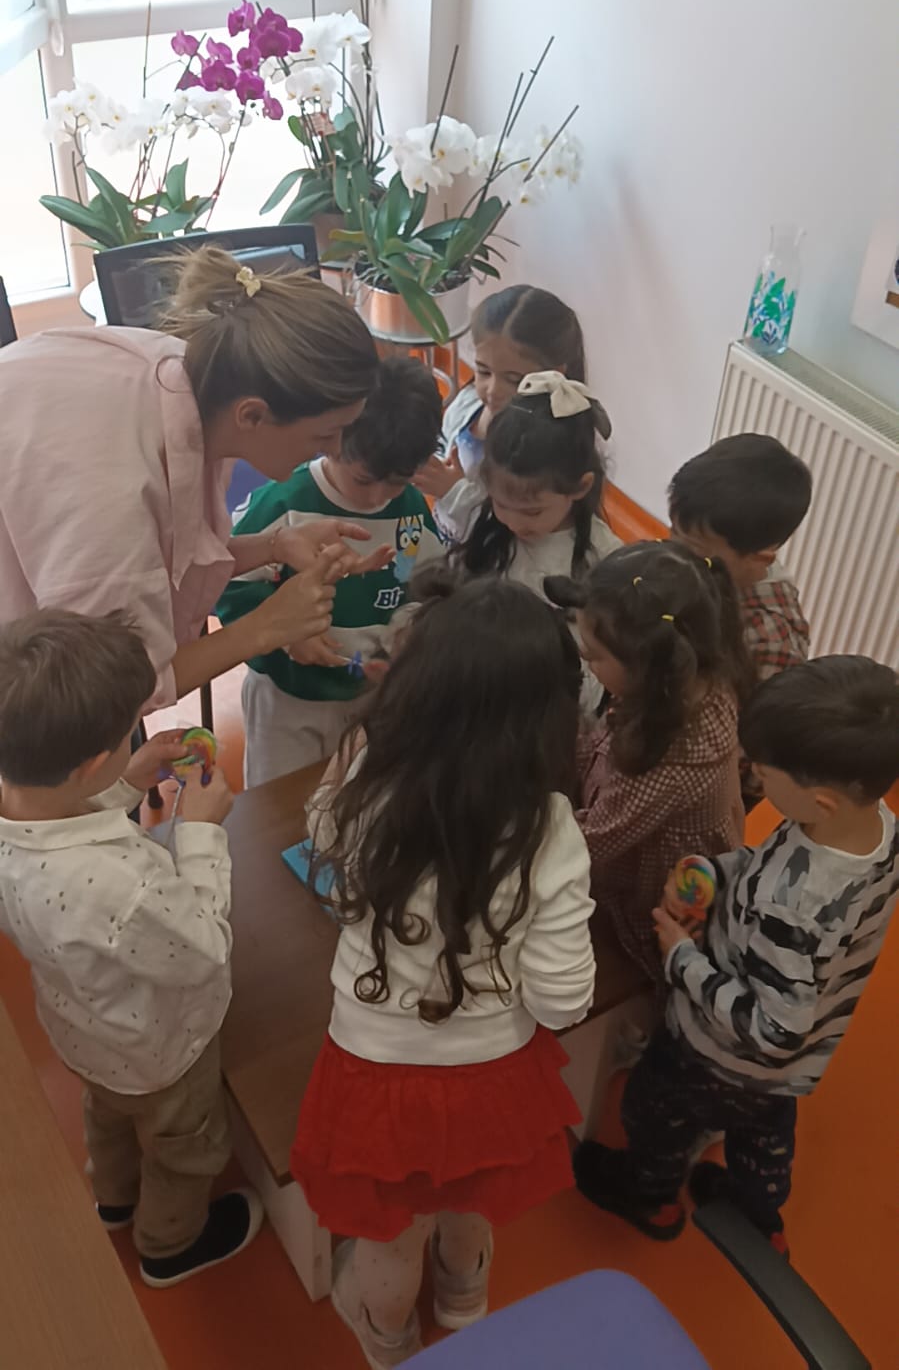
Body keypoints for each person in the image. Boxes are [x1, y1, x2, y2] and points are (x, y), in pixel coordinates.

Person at [290, 581, 596, 1367]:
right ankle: (464, 1297)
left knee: (392, 1237)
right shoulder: (550, 826)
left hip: (375, 1070)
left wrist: (350, 759)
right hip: (492, 1073)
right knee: (469, 1201)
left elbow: (322, 841)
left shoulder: (367, 781)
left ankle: (388, 1339)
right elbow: (563, 1000)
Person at [572, 656, 899, 1252]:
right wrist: (718, 871)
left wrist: (682, 959)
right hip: (782, 1075)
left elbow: (775, 1030)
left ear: (821, 799)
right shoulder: (873, 828)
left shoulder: (792, 908)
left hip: (719, 1050)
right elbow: (772, 865)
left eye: (764, 774)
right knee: (764, 1130)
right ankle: (758, 1216)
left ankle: (651, 1195)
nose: (752, 775)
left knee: (654, 1107)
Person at [0, 246, 388, 707]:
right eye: (326, 433)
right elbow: (109, 693)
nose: (336, 450)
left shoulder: (195, 377)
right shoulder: (112, 496)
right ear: (252, 415)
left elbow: (166, 559)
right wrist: (266, 626)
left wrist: (274, 545)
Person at [0, 608, 260, 1287]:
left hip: (83, 1032)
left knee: (108, 1116)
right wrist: (200, 830)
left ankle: (114, 1199)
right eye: (127, 735)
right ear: (90, 762)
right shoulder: (122, 886)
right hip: (162, 1052)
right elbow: (203, 946)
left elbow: (59, 811)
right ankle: (170, 1245)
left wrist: (126, 780)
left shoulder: (18, 810)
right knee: (183, 1146)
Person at [216, 357, 445, 785]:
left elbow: (425, 587)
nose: (377, 497)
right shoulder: (284, 501)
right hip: (287, 699)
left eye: (397, 482)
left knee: (354, 795)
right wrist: (286, 636)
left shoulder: (412, 511)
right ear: (332, 440)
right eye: (363, 480)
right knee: (278, 803)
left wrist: (409, 637)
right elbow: (226, 587)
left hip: (369, 698)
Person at [547, 540, 750, 988]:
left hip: (657, 892)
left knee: (646, 975)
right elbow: (602, 745)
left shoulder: (670, 758)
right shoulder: (695, 681)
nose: (586, 660)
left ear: (648, 666)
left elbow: (591, 842)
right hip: (648, 837)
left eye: (595, 655)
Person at [458, 370, 618, 709]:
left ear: (581, 487)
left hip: (554, 702)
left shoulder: (604, 558)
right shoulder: (485, 526)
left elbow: (601, 661)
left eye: (532, 512)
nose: (514, 522)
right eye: (501, 504)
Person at [668, 435, 813, 802]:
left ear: (760, 558)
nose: (674, 555)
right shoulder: (706, 574)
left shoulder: (770, 639)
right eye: (672, 533)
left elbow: (753, 764)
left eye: (692, 549)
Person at [418, 285, 609, 545]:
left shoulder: (549, 448)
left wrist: (454, 492)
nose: (492, 391)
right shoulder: (467, 405)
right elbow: (444, 446)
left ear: (554, 375)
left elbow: (518, 530)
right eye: (484, 372)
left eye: (514, 379)